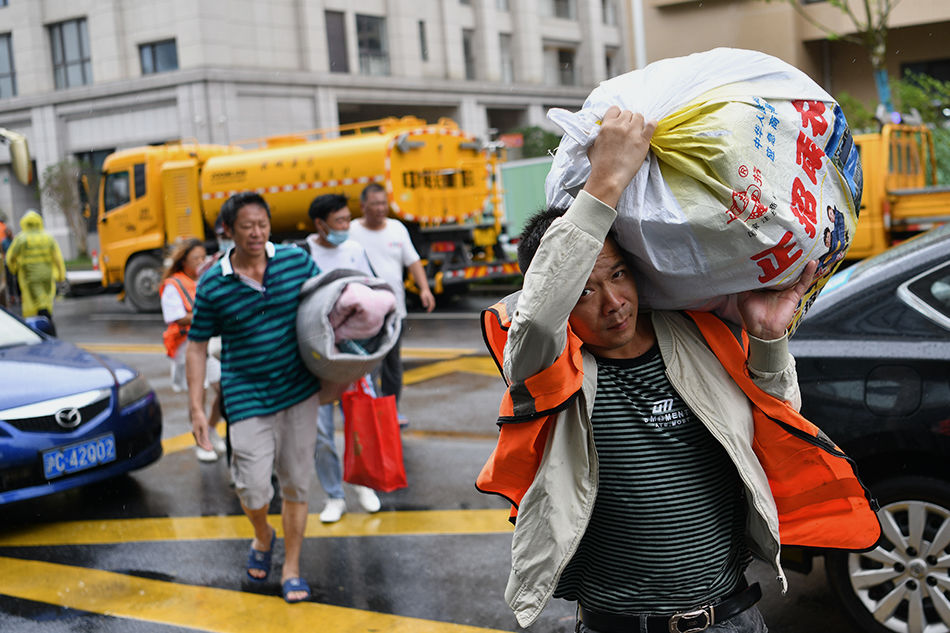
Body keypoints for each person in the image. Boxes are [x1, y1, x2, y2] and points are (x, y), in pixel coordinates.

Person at [476, 108, 880, 631]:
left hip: (730, 619)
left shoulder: (699, 335)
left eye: (619, 274)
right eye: (585, 291)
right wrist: (605, 180)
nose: (614, 302)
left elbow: (777, 420)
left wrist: (767, 337)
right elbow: (540, 306)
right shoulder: (547, 369)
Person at [186, 191, 321, 604]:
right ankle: (263, 533)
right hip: (245, 394)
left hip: (298, 390)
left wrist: (342, 369)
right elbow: (196, 345)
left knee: (297, 483)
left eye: (262, 224)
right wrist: (195, 408)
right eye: (247, 226)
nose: (257, 233)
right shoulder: (213, 282)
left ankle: (291, 567)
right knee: (253, 489)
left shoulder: (295, 261)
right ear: (229, 230)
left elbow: (326, 303)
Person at [302, 193, 382, 523]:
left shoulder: (355, 250)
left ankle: (364, 484)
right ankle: (334, 495)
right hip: (315, 356)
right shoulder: (301, 254)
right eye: (340, 221)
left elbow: (373, 290)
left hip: (352, 353)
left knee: (361, 422)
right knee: (321, 433)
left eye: (348, 219)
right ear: (320, 224)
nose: (346, 226)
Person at [349, 183, 435, 425]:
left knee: (392, 363)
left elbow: (413, 261)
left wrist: (425, 289)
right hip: (364, 312)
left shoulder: (397, 228)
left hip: (395, 311)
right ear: (363, 206)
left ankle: (391, 410)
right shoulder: (352, 231)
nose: (380, 208)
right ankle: (371, 412)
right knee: (369, 364)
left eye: (383, 203)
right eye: (374, 204)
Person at [159, 238, 226, 462]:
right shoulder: (173, 284)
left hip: (210, 343)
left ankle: (211, 428)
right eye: (195, 258)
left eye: (202, 257)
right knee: (198, 394)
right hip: (187, 346)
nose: (200, 262)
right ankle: (201, 442)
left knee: (223, 388)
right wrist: (207, 317)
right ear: (184, 261)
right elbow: (176, 318)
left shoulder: (206, 279)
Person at [5, 209, 65, 334]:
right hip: (48, 276)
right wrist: (61, 276)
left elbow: (10, 257)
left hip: (30, 277)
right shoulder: (47, 237)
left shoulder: (21, 238)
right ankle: (46, 327)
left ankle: (47, 329)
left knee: (37, 304)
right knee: (46, 301)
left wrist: (14, 269)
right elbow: (58, 258)